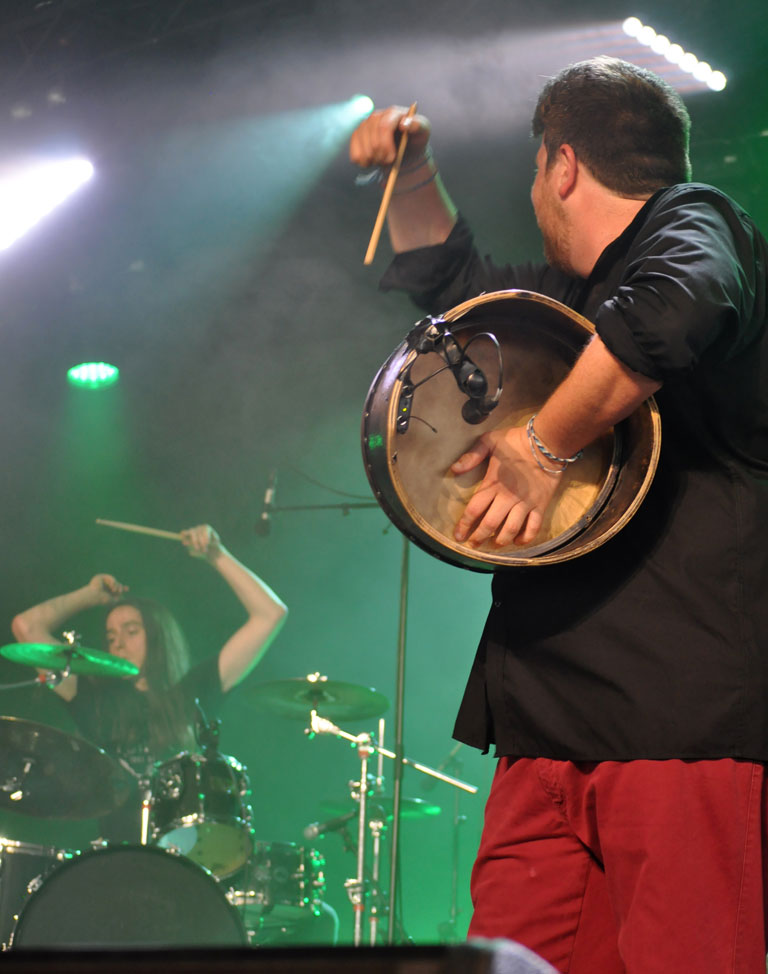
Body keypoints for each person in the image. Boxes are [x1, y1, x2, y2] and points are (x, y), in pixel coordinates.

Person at [349, 57, 768, 973]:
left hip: (676, 731)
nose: (535, 190)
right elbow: (459, 299)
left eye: (537, 170)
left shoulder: (696, 220)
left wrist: (542, 448)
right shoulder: (573, 303)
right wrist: (411, 171)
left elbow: (676, 308)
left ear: (563, 164)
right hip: (545, 734)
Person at [11, 523, 287, 842]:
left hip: (182, 851)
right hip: (115, 853)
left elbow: (271, 614)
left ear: (159, 638)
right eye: (111, 636)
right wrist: (87, 596)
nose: (118, 643)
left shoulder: (194, 690)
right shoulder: (93, 697)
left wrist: (216, 554)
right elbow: (26, 627)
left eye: (131, 631)